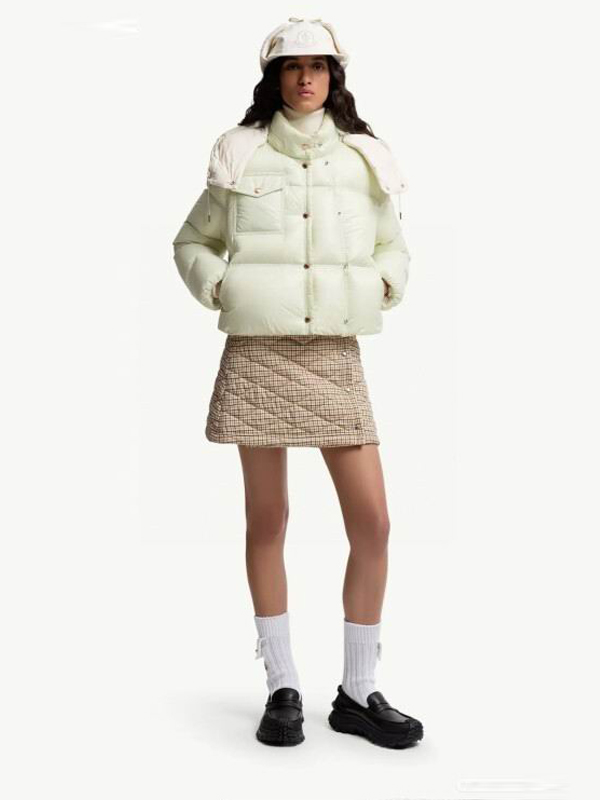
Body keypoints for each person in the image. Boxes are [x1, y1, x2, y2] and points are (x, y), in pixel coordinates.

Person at [172, 17, 424, 749]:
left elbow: (393, 243)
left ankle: (358, 691)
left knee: (373, 523)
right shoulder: (239, 152)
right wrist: (219, 285)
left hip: (333, 352)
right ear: (275, 77)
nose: (305, 78)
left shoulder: (365, 157)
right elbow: (192, 239)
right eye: (292, 67)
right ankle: (282, 685)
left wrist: (384, 282)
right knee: (268, 520)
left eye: (317, 66)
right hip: (258, 352)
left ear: (333, 77)